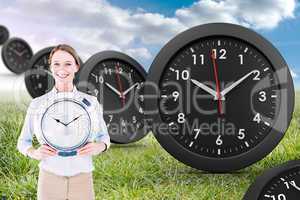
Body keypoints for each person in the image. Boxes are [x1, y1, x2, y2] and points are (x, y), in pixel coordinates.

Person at [17, 44, 110, 200]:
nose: (62, 69)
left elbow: (104, 137)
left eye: (68, 64)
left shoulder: (91, 102)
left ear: (76, 66)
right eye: (56, 64)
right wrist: (33, 152)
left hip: (83, 175)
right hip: (49, 176)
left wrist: (100, 146)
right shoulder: (38, 104)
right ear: (51, 68)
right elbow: (23, 141)